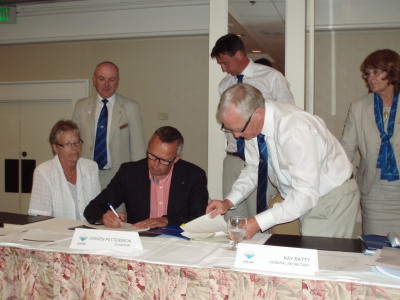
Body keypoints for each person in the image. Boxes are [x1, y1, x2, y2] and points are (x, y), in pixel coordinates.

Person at [207, 83, 360, 238]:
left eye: (238, 129)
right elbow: (253, 170)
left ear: (258, 113)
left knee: (318, 258)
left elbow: (306, 193)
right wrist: (228, 202)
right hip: (301, 196)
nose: (235, 136)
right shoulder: (251, 127)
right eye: (230, 129)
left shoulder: (295, 130)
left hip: (329, 196)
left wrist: (258, 222)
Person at [210, 33, 295, 220]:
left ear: (239, 55)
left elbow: (287, 117)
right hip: (233, 157)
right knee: (232, 216)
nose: (224, 69)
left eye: (225, 63)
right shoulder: (225, 84)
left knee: (262, 214)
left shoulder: (272, 77)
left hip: (263, 158)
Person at [84, 126, 209, 228]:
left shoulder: (194, 176)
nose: (155, 163)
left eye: (164, 160)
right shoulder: (130, 173)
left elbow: (199, 218)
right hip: (141, 241)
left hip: (178, 242)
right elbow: (92, 209)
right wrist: (104, 216)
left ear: (176, 159)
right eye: (152, 155)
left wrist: (166, 220)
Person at [340, 49, 400, 236]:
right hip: (374, 191)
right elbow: (347, 148)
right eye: (368, 73)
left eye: (377, 72)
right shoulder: (359, 107)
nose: (370, 78)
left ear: (392, 71)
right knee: (377, 247)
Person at [72, 61, 146, 194]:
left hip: (118, 177)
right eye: (102, 79)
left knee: (117, 215)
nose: (106, 84)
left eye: (111, 80)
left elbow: (138, 149)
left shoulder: (131, 107)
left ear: (118, 81)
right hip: (86, 175)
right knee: (87, 214)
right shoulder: (81, 106)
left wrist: (137, 181)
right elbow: (73, 144)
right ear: (94, 80)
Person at [29, 120, 101, 220]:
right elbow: (41, 216)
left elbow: (97, 207)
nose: (74, 148)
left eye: (77, 142)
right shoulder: (43, 171)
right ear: (55, 147)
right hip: (56, 232)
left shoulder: (91, 167)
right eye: (67, 144)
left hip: (87, 231)